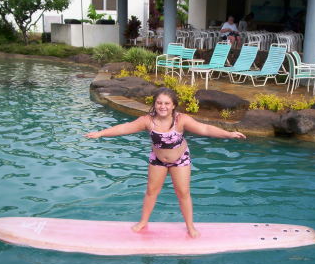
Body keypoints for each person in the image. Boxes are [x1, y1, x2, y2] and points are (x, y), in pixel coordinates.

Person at [85, 88, 246, 238]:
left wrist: (228, 134)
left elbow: (204, 129)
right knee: (151, 191)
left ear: (173, 105)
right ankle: (143, 222)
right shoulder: (147, 120)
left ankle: (190, 226)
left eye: (167, 103)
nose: (163, 106)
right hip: (158, 159)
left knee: (183, 193)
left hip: (180, 159)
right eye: (159, 103)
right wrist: (101, 133)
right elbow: (124, 128)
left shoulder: (181, 120)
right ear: (154, 104)